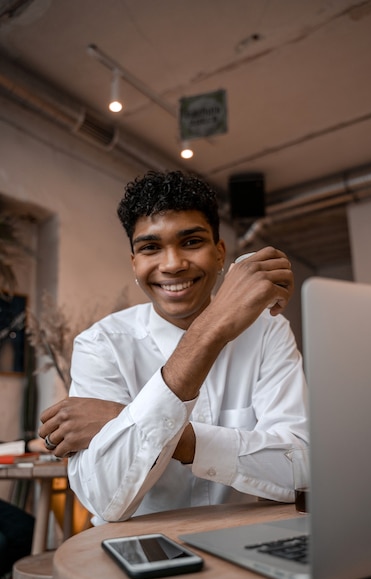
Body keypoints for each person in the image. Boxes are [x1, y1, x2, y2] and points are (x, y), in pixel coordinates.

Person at [39, 170, 308, 525]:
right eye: (150, 247)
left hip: (244, 541)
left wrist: (133, 422)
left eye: (192, 242)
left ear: (219, 253)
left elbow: (303, 471)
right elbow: (105, 501)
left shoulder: (268, 331)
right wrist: (208, 333)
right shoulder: (100, 344)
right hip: (135, 550)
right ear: (135, 263)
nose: (172, 264)